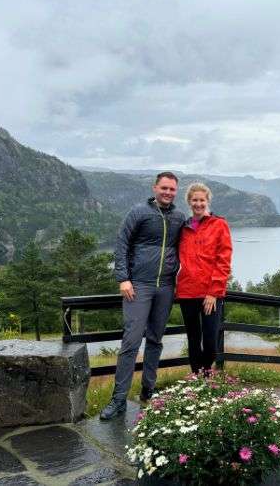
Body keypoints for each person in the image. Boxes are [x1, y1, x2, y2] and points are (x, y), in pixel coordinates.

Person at [100, 171, 186, 421]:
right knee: (131, 342)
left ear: (175, 191)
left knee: (156, 340)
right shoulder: (138, 212)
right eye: (164, 188)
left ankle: (149, 390)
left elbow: (191, 242)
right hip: (139, 285)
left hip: (166, 286)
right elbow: (122, 243)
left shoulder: (179, 217)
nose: (168, 192)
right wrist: (123, 278)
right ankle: (118, 399)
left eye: (172, 189)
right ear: (155, 188)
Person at [176, 182, 233, 374]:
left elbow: (223, 260)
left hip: (210, 293)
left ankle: (207, 371)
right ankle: (196, 375)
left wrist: (214, 292)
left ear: (207, 201)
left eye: (202, 200)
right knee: (193, 337)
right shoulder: (183, 228)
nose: (198, 204)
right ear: (189, 202)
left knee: (210, 338)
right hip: (187, 291)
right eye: (194, 200)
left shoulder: (219, 225)